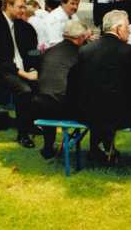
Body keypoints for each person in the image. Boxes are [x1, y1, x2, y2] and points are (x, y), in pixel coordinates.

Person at [70, 10, 131, 163]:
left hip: (87, 112)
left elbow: (76, 81)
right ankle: (105, 148)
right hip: (120, 114)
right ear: (118, 28)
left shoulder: (85, 50)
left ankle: (100, 148)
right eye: (127, 27)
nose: (129, 30)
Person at [0, 0, 39, 147]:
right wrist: (24, 74)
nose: (23, 10)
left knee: (44, 84)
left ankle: (31, 122)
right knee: (24, 90)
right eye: (20, 7)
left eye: (24, 7)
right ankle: (23, 133)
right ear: (8, 6)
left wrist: (33, 68)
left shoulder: (25, 27)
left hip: (22, 70)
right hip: (0, 73)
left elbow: (34, 51)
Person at [34, 20, 91, 159]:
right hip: (65, 107)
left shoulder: (49, 51)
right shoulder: (81, 54)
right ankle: (98, 149)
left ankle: (48, 147)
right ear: (80, 38)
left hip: (40, 104)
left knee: (51, 99)